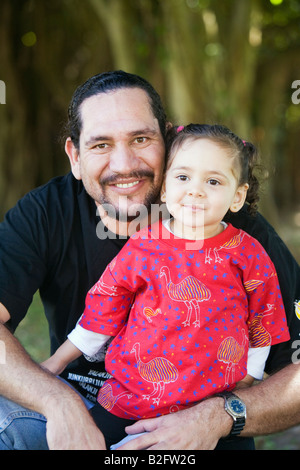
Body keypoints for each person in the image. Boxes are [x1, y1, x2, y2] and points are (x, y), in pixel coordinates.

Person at [0, 70, 299, 450]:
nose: (124, 164)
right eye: (100, 145)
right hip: (92, 408)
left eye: (141, 139)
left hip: (202, 417)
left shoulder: (239, 235)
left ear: (169, 141)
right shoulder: (46, 212)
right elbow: (101, 310)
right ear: (74, 157)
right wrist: (56, 400)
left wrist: (223, 413)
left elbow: (274, 338)